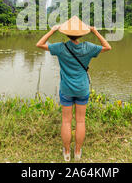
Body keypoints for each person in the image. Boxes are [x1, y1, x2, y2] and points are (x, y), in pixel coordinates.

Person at [36, 16, 112, 161]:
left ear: (66, 33)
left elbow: (39, 44)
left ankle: (66, 152)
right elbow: (108, 47)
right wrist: (95, 32)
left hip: (66, 90)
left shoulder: (60, 47)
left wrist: (52, 31)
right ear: (82, 34)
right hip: (82, 89)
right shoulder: (88, 47)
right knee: (80, 121)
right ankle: (77, 152)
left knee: (66, 121)